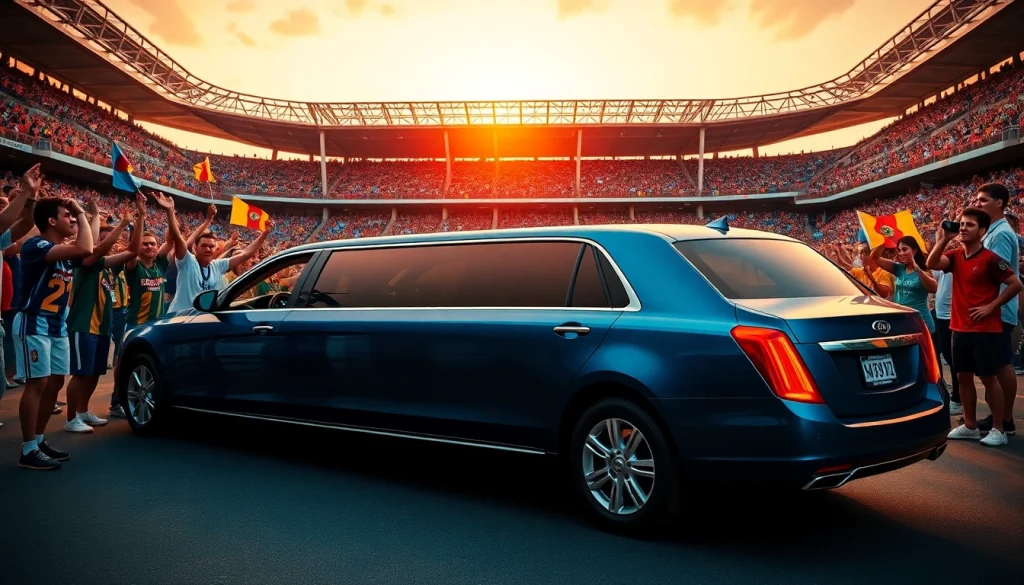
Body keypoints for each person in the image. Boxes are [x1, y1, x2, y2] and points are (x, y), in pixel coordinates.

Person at [927, 208, 1023, 447]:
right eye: (961, 224)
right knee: (963, 377)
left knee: (989, 379)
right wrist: (945, 239)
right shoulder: (956, 256)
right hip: (959, 328)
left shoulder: (990, 258)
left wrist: (991, 306)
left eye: (969, 225)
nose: (963, 228)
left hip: (985, 330)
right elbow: (932, 262)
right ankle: (970, 425)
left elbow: (1015, 284)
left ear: (982, 231)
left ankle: (999, 429)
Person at [14, 192, 95, 469]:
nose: (72, 219)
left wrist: (86, 214)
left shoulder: (62, 252)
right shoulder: (35, 245)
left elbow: (89, 246)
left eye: (73, 216)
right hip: (34, 323)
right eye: (67, 215)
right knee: (37, 384)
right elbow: (85, 247)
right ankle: (27, 449)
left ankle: (38, 439)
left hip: (57, 326)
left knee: (56, 382)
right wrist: (82, 214)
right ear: (51, 221)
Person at [63, 194, 143, 433]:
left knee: (95, 372)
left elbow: (132, 251)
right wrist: (121, 224)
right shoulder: (84, 261)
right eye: (106, 239)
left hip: (102, 326)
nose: (112, 244)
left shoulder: (110, 267)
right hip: (83, 324)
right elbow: (100, 250)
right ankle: (70, 419)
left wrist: (140, 220)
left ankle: (83, 411)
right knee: (80, 373)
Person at [109, 192, 177, 418]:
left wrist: (169, 211)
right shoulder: (133, 266)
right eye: (146, 244)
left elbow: (172, 240)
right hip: (135, 324)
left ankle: (140, 398)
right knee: (122, 363)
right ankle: (116, 400)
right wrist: (141, 216)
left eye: (153, 244)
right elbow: (132, 248)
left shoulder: (159, 263)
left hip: (156, 326)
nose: (149, 247)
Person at [165, 198, 271, 314]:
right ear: (196, 247)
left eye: (211, 246)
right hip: (178, 319)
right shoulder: (188, 262)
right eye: (204, 246)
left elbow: (246, 254)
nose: (208, 249)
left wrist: (264, 234)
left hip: (202, 320)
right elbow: (178, 239)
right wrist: (170, 211)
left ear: (215, 249)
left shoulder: (217, 265)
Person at [972, 183, 1018, 436]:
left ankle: (1006, 419)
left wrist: (989, 305)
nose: (977, 203)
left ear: (999, 203)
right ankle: (1001, 416)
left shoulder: (1000, 234)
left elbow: (996, 273)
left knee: (1000, 364)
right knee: (996, 363)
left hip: (997, 308)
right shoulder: (993, 231)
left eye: (982, 200)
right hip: (994, 308)